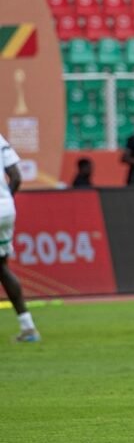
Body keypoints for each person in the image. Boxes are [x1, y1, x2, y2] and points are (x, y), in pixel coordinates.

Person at [0, 133, 39, 342]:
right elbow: (16, 177)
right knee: (1, 266)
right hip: (6, 209)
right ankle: (28, 327)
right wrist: (5, 201)